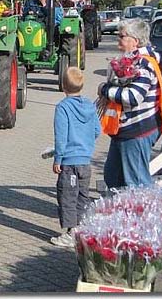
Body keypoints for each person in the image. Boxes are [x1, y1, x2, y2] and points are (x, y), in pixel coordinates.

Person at [98, 18, 162, 188]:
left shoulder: (143, 63)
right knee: (113, 177)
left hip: (137, 129)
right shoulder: (133, 60)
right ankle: (122, 204)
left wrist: (105, 90)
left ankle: (144, 206)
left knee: (136, 184)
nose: (118, 39)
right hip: (125, 130)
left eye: (122, 36)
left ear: (135, 41)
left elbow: (133, 97)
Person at [50, 67, 101, 248]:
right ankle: (81, 230)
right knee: (82, 197)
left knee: (67, 198)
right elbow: (97, 130)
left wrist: (58, 158)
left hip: (69, 163)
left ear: (63, 85)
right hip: (85, 162)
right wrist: (85, 143)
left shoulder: (63, 108)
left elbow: (61, 136)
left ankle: (71, 233)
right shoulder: (90, 105)